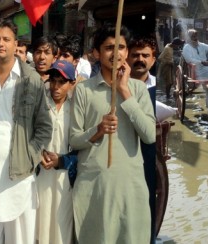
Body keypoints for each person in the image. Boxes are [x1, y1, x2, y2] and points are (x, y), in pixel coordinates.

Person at [69, 24, 156, 243]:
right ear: (97, 53)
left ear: (127, 52)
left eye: (121, 47)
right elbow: (74, 140)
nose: (116, 53)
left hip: (130, 184)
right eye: (109, 48)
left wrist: (125, 92)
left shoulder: (138, 89)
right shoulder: (83, 90)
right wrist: (97, 131)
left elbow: (149, 135)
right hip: (94, 184)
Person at [0, 19, 52, 244]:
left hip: (19, 169)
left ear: (16, 44)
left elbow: (45, 126)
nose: (0, 43)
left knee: (20, 234)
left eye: (6, 39)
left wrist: (31, 156)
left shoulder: (30, 79)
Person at [36, 60, 78, 244]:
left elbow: (83, 146)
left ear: (72, 84)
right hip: (40, 174)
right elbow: (27, 137)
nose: (56, 87)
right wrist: (38, 156)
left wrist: (62, 161)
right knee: (40, 224)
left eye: (62, 82)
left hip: (65, 177)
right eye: (53, 80)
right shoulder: (39, 105)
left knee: (62, 227)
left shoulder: (77, 109)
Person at [127, 36, 159, 243]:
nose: (140, 59)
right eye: (135, 55)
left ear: (153, 60)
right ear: (127, 58)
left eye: (145, 55)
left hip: (148, 154)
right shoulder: (117, 85)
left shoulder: (157, 88)